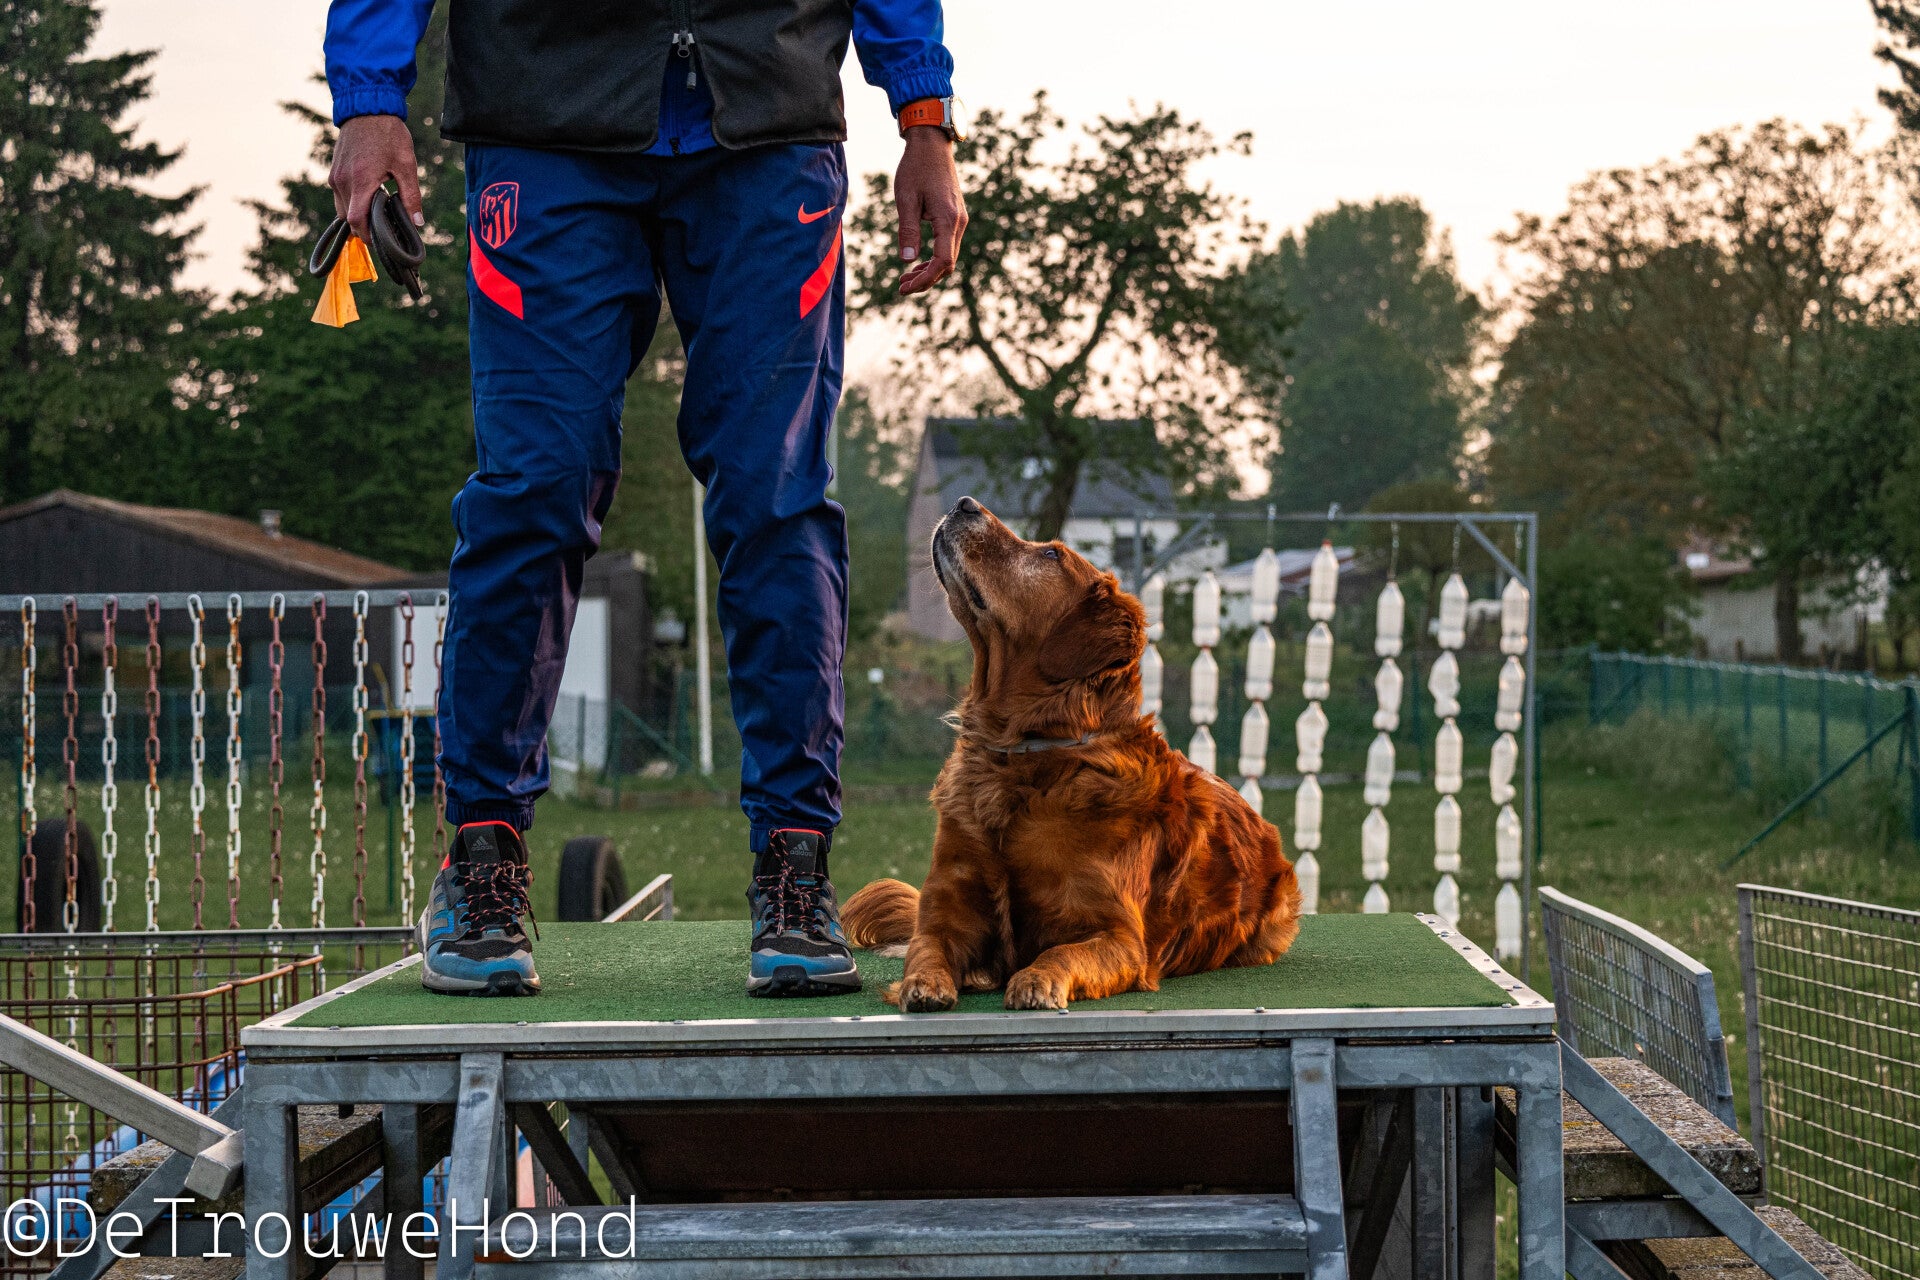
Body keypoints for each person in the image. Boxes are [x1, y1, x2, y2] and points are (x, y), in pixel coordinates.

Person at [323, 0, 967, 997]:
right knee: (534, 489)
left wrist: (925, 116)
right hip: (544, 126)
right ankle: (483, 861)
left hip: (768, 123)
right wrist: (370, 99)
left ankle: (794, 868)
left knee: (779, 499)